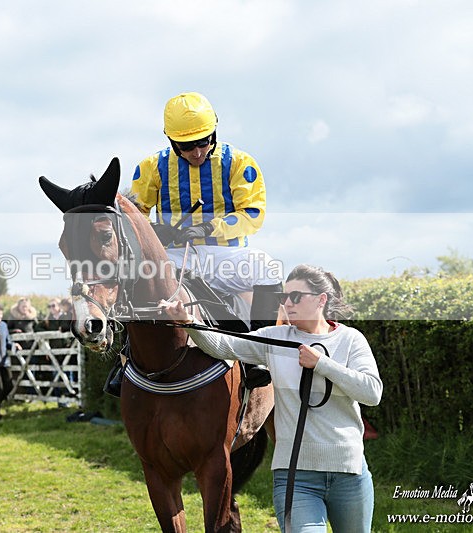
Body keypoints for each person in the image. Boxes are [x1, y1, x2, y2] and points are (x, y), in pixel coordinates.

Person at [160, 264, 383, 533]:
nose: (287, 303)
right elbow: (224, 345)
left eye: (296, 297)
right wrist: (188, 323)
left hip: (350, 474)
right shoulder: (274, 338)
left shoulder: (350, 340)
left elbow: (372, 393)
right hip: (296, 477)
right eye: (284, 297)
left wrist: (322, 364)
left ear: (321, 299)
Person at [130, 91, 282, 322]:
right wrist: (154, 230)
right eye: (187, 146)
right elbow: (133, 219)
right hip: (175, 257)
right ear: (171, 141)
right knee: (133, 274)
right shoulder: (150, 167)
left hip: (227, 256)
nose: (197, 152)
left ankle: (262, 344)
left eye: (204, 142)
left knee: (267, 267)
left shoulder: (240, 163)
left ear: (214, 132)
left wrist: (208, 228)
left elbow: (252, 215)